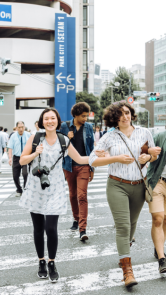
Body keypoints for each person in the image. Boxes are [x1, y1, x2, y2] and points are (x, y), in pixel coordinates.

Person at [89, 102, 158, 288]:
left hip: (139, 186)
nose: (125, 117)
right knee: (123, 226)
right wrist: (115, 158)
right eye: (120, 115)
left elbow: (153, 155)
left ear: (131, 114)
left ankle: (124, 250)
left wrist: (149, 157)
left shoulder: (145, 133)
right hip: (117, 185)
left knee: (132, 224)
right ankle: (127, 271)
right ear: (114, 118)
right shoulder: (109, 136)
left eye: (127, 113)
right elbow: (92, 159)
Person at [19, 108, 90, 283]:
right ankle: (41, 261)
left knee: (51, 228)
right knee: (38, 228)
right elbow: (22, 160)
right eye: (46, 119)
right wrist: (36, 153)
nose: (50, 121)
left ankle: (51, 262)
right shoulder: (35, 138)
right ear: (42, 122)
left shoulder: (63, 140)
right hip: (36, 189)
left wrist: (97, 157)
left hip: (56, 189)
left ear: (58, 121)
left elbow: (80, 159)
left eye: (53, 118)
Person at [60, 102, 95, 241]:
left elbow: (91, 147)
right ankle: (76, 218)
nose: (86, 118)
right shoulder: (64, 126)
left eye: (87, 116)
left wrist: (92, 167)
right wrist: (67, 139)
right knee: (73, 195)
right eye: (83, 116)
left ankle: (82, 229)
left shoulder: (89, 127)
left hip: (84, 166)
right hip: (68, 166)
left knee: (82, 195)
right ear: (75, 115)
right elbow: (59, 147)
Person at [146, 129, 166, 273]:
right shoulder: (160, 136)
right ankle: (162, 259)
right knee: (158, 219)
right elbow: (145, 153)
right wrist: (150, 153)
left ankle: (158, 246)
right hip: (158, 182)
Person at [8, 121, 31, 197]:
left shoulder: (28, 135)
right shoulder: (13, 136)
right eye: (19, 127)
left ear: (24, 127)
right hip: (16, 158)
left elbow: (32, 146)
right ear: (16, 128)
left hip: (25, 157)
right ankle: (19, 189)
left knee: (25, 174)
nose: (21, 129)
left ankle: (25, 189)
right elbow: (10, 148)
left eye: (22, 127)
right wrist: (10, 158)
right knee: (15, 176)